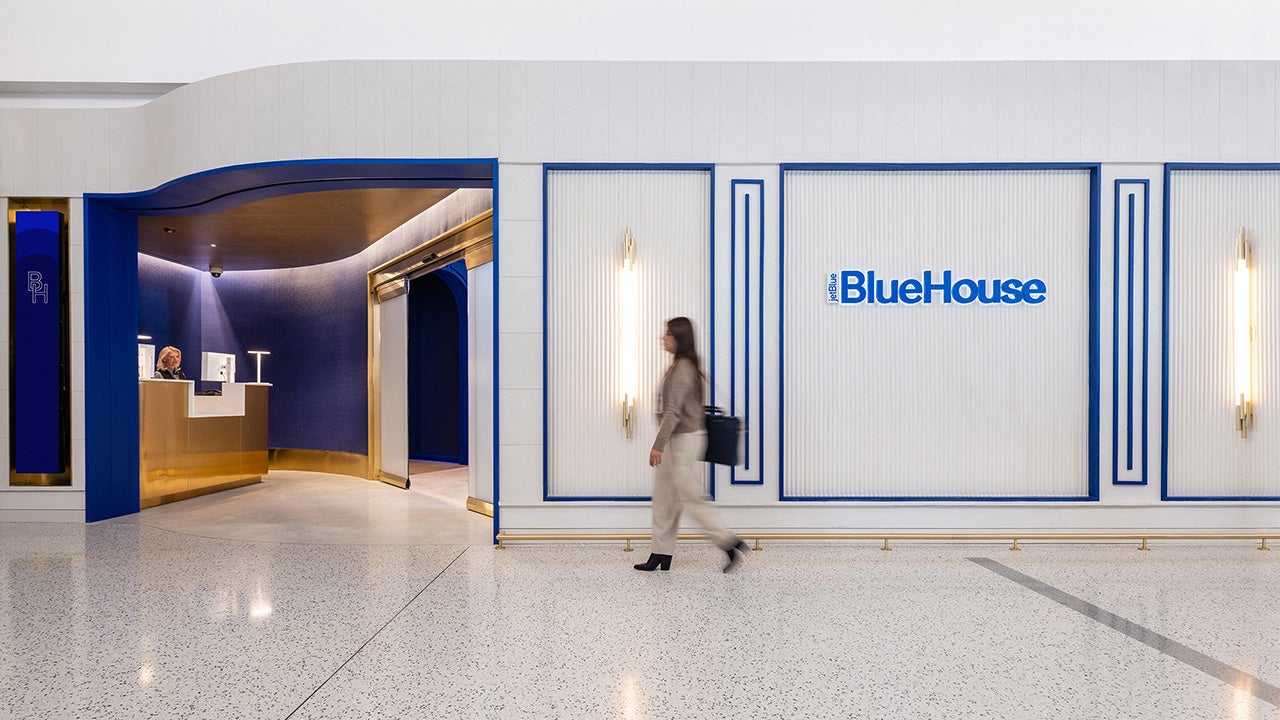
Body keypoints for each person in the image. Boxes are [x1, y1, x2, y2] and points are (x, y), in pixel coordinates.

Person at [634, 317, 748, 573]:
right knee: (664, 497)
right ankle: (660, 553)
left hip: (684, 440)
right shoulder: (679, 366)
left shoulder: (684, 368)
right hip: (676, 439)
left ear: (679, 338)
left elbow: (672, 412)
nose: (663, 338)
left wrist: (657, 446)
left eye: (667, 334)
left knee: (689, 496)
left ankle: (728, 541)